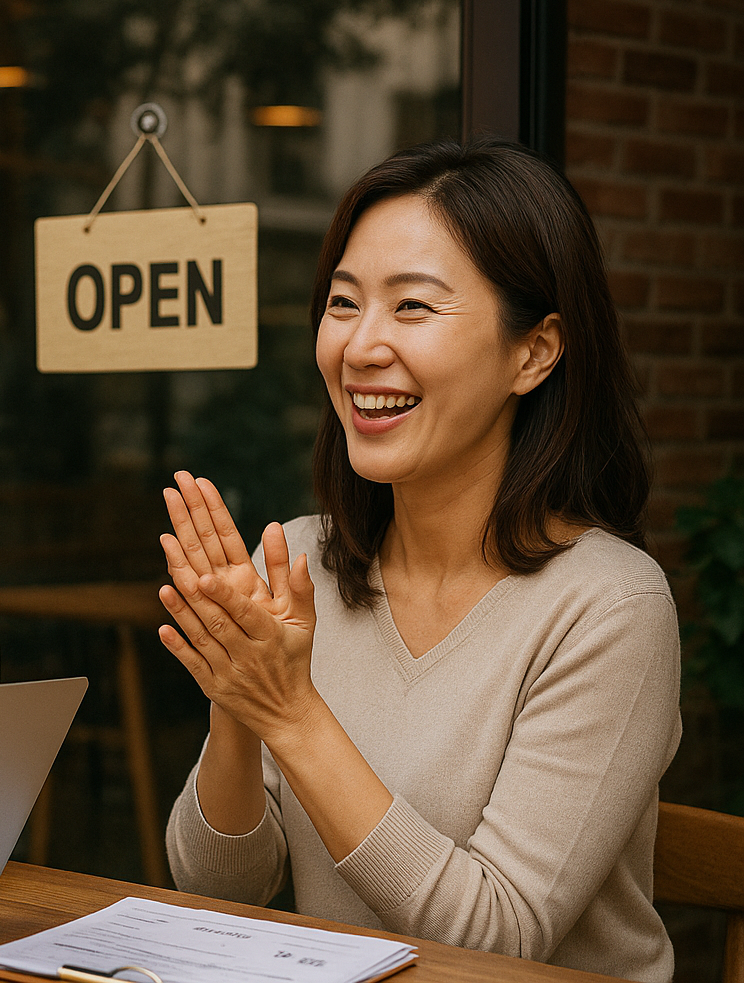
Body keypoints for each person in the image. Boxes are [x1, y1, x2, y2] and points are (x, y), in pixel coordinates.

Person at [157, 139, 679, 981]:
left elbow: (498, 941)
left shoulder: (610, 607)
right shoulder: (302, 566)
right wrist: (237, 700)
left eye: (412, 308)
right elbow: (222, 888)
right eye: (343, 303)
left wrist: (291, 714)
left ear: (534, 353)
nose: (361, 346)